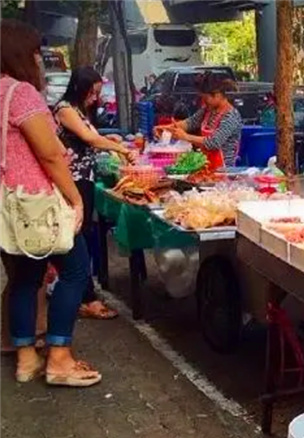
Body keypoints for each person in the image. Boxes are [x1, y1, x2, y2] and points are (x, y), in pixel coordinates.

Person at [0, 19, 101, 386]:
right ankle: (59, 357)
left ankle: (26, 359)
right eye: (37, 54)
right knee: (75, 270)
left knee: (25, 279)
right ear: (21, 55)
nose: (40, 61)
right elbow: (50, 155)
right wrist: (75, 199)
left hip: (10, 205)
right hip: (38, 202)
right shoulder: (22, 93)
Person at [53, 66, 135, 320]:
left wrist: (115, 144)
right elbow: (90, 138)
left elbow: (96, 137)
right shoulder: (65, 109)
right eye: (92, 92)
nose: (95, 98)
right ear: (80, 88)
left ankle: (82, 291)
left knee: (86, 230)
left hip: (85, 178)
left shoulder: (79, 110)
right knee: (79, 234)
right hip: (72, 181)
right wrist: (120, 150)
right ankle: (84, 296)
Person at [154, 72, 242, 169]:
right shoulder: (207, 111)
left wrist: (185, 137)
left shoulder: (231, 116)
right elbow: (190, 123)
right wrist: (166, 129)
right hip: (207, 166)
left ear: (217, 95)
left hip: (224, 171)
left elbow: (214, 143)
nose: (203, 102)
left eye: (205, 98)